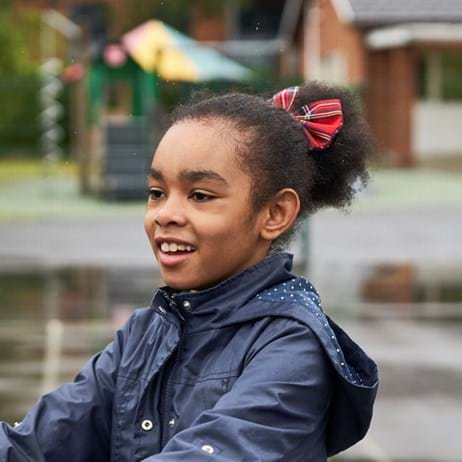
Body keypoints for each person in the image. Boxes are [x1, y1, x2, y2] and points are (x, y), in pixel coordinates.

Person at [0, 81, 379, 461]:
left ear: (275, 213)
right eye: (156, 192)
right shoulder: (143, 335)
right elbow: (34, 444)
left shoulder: (291, 350)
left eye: (200, 195)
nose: (165, 214)